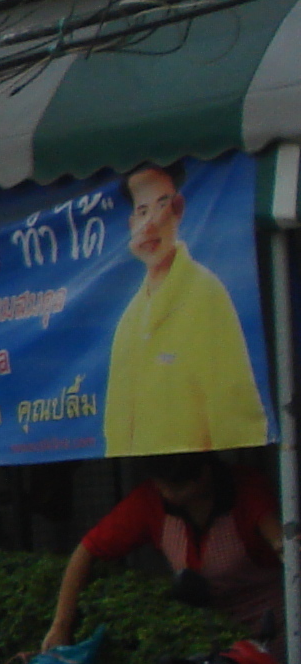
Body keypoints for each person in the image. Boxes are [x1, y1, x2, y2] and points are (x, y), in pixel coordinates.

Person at [106, 162, 269, 455]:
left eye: (162, 205)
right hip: (152, 476)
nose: (151, 224)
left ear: (178, 209)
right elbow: (116, 428)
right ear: (132, 224)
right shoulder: (129, 317)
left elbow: (234, 407)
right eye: (142, 212)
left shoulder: (206, 293)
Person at [49, 453, 284, 648]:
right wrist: (61, 626)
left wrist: (282, 544)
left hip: (275, 623)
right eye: (161, 486)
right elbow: (87, 550)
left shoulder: (247, 488)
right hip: (212, 630)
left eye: (177, 487)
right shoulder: (150, 500)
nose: (167, 494)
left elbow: (280, 540)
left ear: (204, 474)